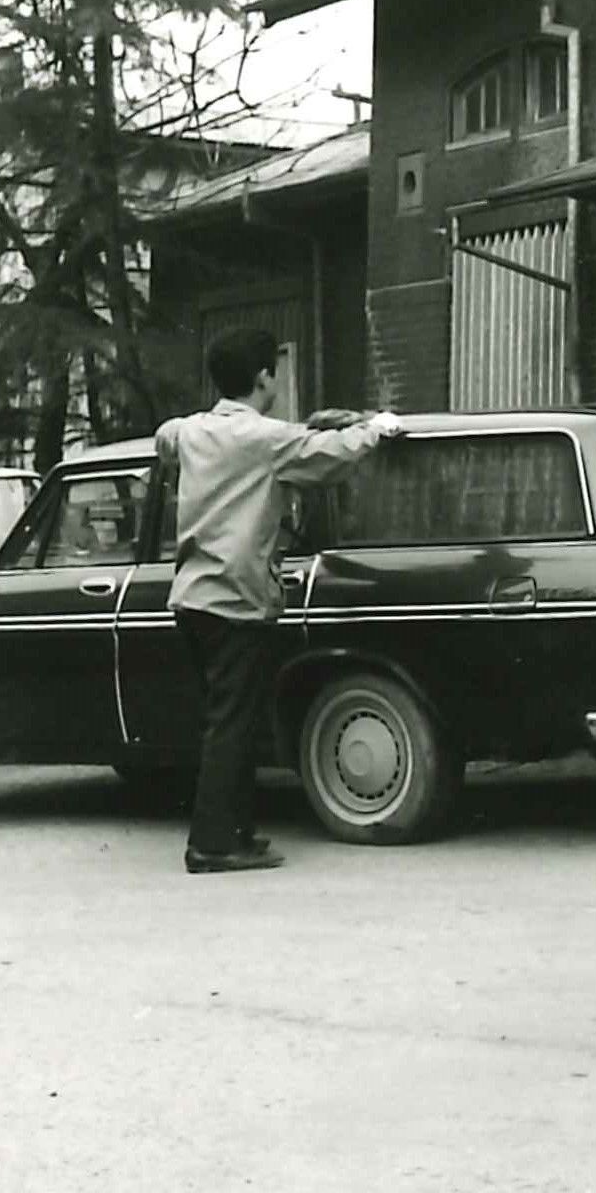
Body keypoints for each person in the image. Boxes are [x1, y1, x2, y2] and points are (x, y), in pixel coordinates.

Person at [154, 330, 405, 874]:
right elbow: (330, 457)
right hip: (237, 600)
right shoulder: (265, 439)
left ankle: (237, 833)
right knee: (234, 725)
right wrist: (375, 430)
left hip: (191, 599)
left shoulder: (193, 431)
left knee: (227, 720)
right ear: (265, 378)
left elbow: (165, 437)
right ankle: (213, 845)